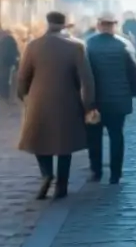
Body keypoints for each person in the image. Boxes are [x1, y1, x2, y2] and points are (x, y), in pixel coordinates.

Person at [16, 11, 95, 199]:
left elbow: (22, 77)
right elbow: (87, 80)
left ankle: (46, 173)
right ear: (65, 24)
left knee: (39, 140)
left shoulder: (33, 46)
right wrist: (89, 105)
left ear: (47, 23)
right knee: (63, 144)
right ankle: (61, 185)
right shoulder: (77, 46)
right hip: (67, 100)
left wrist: (23, 96)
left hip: (39, 100)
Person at [85, 12, 136, 184]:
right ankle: (115, 174)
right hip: (118, 100)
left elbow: (83, 74)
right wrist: (134, 92)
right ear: (113, 26)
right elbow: (135, 73)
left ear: (99, 25)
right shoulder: (124, 45)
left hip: (95, 101)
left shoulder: (89, 45)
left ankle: (96, 171)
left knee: (94, 137)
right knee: (116, 135)